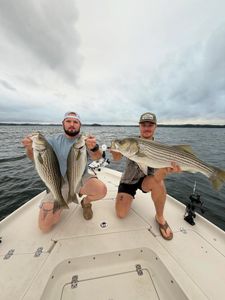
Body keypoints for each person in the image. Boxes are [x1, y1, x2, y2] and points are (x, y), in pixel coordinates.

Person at [22, 111, 107, 232]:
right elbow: (33, 157)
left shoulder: (85, 141)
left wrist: (94, 147)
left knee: (101, 190)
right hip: (58, 181)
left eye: (75, 122)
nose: (72, 124)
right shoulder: (52, 141)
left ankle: (86, 202)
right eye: (68, 121)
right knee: (44, 227)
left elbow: (98, 157)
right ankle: (63, 199)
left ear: (80, 125)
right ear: (63, 123)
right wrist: (30, 147)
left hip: (80, 177)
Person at [110, 112, 181, 240]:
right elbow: (117, 158)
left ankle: (160, 217)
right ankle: (127, 197)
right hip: (128, 180)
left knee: (159, 183)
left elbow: (157, 178)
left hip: (147, 180)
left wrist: (166, 169)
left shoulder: (160, 148)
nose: (147, 128)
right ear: (139, 126)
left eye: (150, 125)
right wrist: (116, 149)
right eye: (143, 125)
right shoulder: (131, 142)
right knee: (120, 214)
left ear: (155, 127)